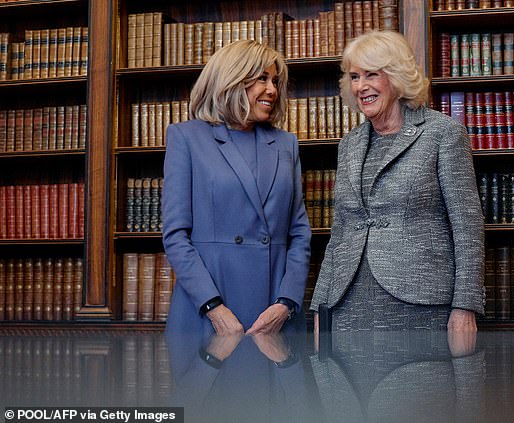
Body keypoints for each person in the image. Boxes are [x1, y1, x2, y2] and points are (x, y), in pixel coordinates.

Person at [309, 31, 485, 333]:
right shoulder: (349, 144)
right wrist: (320, 306)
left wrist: (465, 306)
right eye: (354, 77)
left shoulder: (442, 133)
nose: (361, 86)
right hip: (347, 307)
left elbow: (467, 226)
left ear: (396, 76)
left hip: (419, 305)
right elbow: (340, 234)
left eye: (371, 75)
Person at [162, 40, 311, 336]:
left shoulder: (286, 144)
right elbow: (176, 235)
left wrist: (286, 303)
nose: (272, 89)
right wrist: (213, 307)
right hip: (208, 315)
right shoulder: (186, 138)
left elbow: (299, 233)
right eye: (261, 79)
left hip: (275, 313)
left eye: (275, 81)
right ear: (231, 80)